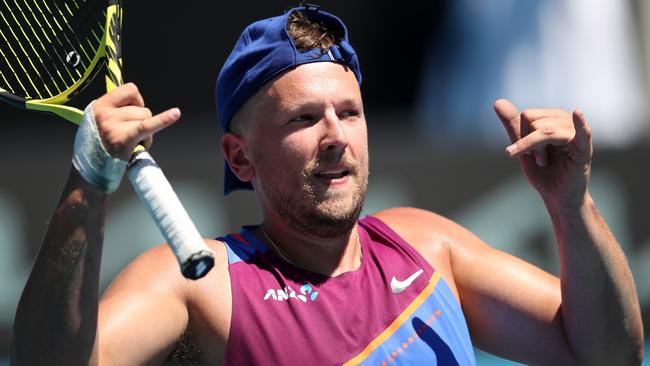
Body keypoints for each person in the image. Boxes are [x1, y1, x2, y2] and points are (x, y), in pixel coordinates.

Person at [11, 4, 644, 365]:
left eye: (350, 111)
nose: (336, 134)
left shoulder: (428, 248)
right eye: (304, 119)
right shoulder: (203, 287)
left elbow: (607, 354)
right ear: (241, 159)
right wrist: (87, 187)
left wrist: (572, 206)